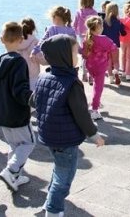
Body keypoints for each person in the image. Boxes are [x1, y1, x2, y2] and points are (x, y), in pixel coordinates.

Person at [35, 34, 105, 217]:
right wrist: (94, 134)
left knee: (59, 170)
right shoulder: (72, 84)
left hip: (48, 134)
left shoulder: (44, 76)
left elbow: (33, 101)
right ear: (64, 56)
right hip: (65, 139)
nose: (78, 55)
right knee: (64, 179)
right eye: (75, 52)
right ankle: (53, 210)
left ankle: (49, 201)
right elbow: (82, 114)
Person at [0, 22, 35, 192]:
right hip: (16, 113)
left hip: (1, 113)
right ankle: (11, 170)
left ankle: (15, 177)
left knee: (14, 146)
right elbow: (20, 90)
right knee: (28, 143)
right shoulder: (19, 62)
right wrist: (34, 99)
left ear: (1, 39)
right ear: (21, 40)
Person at [82, 16, 119, 120]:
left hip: (90, 66)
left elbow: (84, 55)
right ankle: (94, 110)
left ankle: (96, 102)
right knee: (98, 88)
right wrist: (116, 64)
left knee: (95, 85)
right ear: (99, 27)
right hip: (100, 67)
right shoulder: (104, 39)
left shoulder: (87, 39)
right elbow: (114, 48)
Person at [72, 0, 98, 83]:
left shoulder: (78, 12)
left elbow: (74, 26)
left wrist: (74, 35)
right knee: (92, 56)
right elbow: (97, 26)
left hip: (81, 37)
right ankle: (91, 76)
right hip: (92, 35)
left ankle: (84, 75)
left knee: (84, 56)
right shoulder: (94, 13)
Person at [102, 3, 126, 85]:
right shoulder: (118, 22)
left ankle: (111, 78)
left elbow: (101, 33)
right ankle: (116, 72)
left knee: (108, 62)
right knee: (116, 61)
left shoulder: (104, 22)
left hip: (106, 44)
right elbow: (123, 33)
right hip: (115, 44)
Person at [14, 17, 40, 90]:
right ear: (33, 28)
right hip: (33, 74)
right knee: (32, 94)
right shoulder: (35, 42)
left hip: (18, 73)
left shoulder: (16, 41)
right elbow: (40, 58)